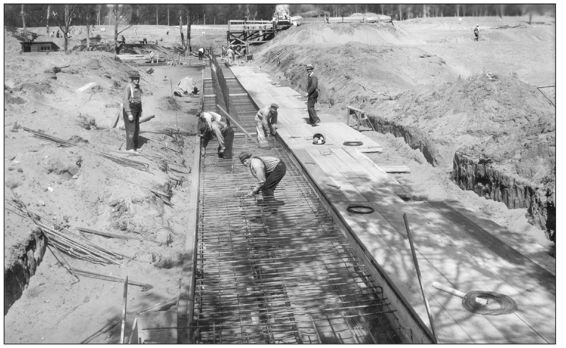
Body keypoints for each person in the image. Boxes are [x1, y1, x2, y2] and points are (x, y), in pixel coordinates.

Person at [123, 70, 143, 152]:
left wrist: (140, 111)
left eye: (138, 79)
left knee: (137, 128)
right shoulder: (129, 87)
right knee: (131, 128)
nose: (137, 80)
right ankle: (130, 148)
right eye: (135, 79)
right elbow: (125, 101)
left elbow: (139, 100)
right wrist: (129, 113)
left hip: (137, 109)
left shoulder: (138, 87)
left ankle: (135, 146)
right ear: (131, 79)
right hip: (131, 109)